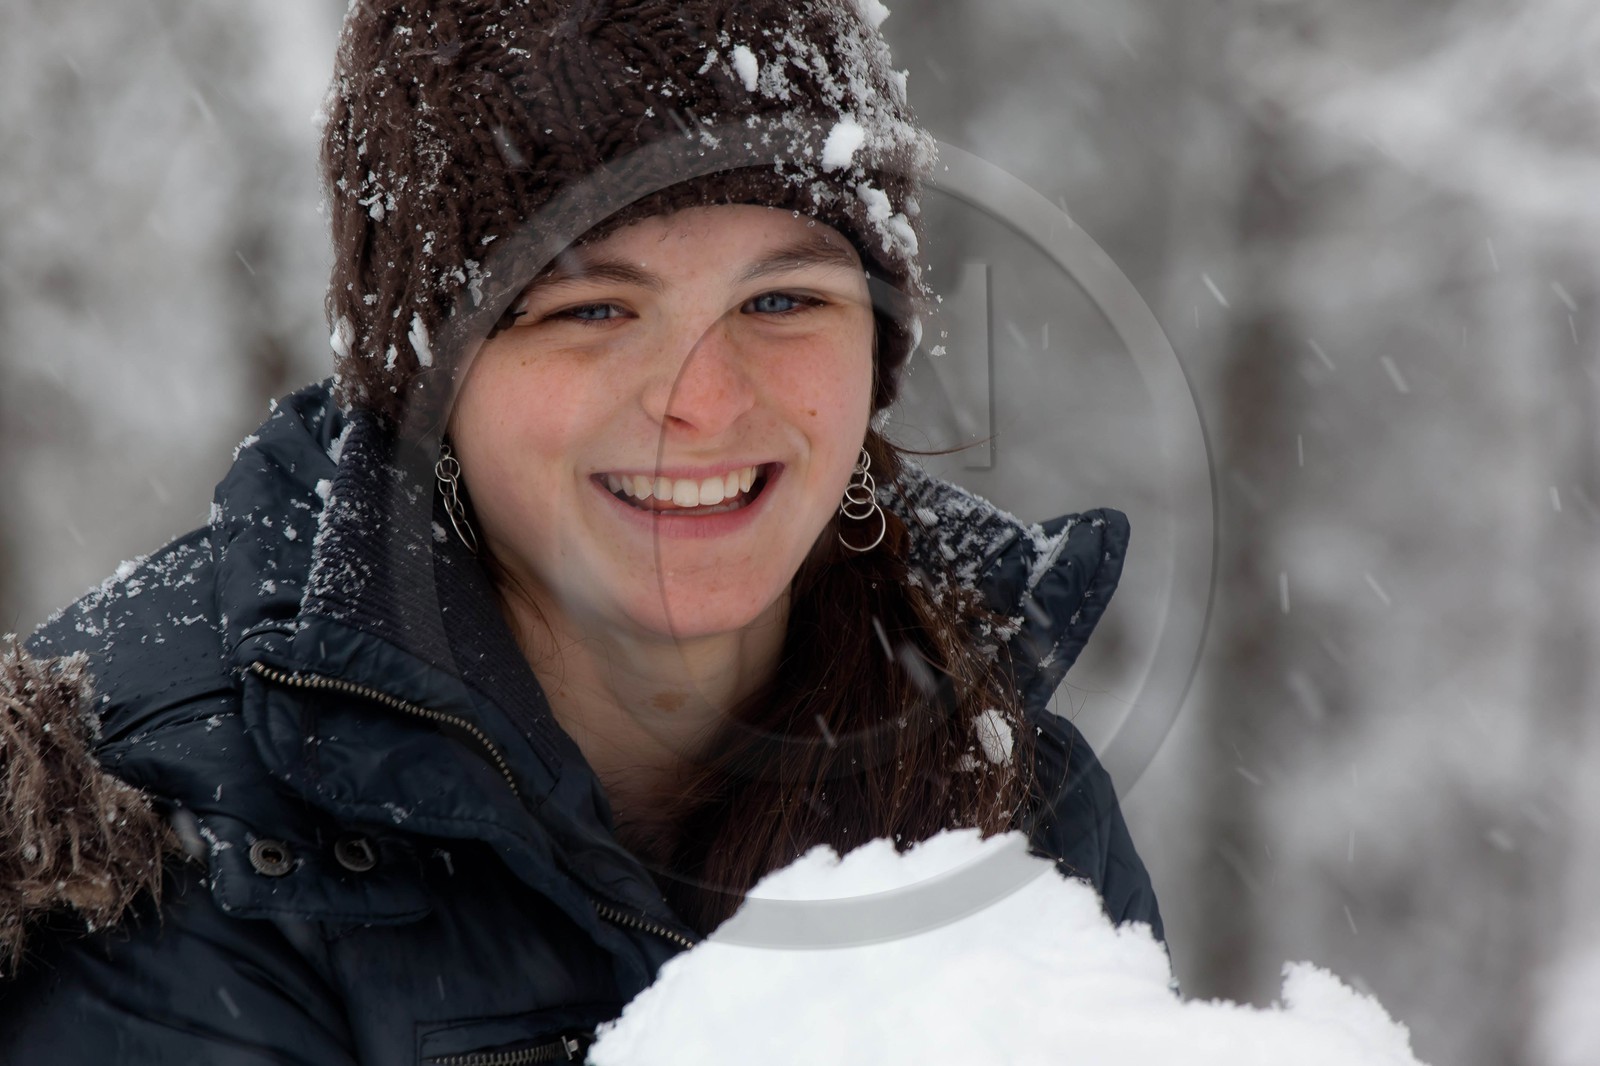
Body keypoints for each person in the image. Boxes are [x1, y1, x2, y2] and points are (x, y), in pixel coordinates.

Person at [0, 0, 1162, 1060]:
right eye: (593, 308)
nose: (703, 400)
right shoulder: (171, 839)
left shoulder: (1004, 787)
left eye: (782, 299)